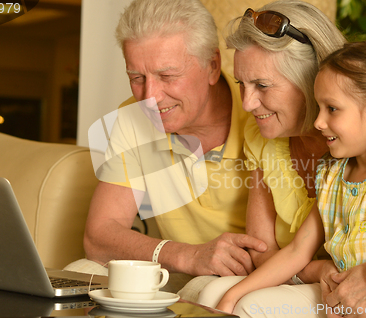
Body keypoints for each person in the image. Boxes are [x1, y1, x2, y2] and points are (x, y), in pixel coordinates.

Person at [197, 0, 366, 315]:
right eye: (242, 84)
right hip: (347, 302)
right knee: (215, 294)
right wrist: (232, 296)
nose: (248, 103)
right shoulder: (332, 175)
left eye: (263, 85)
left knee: (252, 305)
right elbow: (291, 251)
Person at [74, 0, 267, 296]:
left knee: (207, 290)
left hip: (247, 276)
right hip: (173, 270)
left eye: (168, 76)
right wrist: (186, 255)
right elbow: (99, 238)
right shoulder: (133, 119)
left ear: (212, 66)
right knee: (79, 274)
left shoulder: (262, 117)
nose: (149, 97)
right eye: (136, 78)